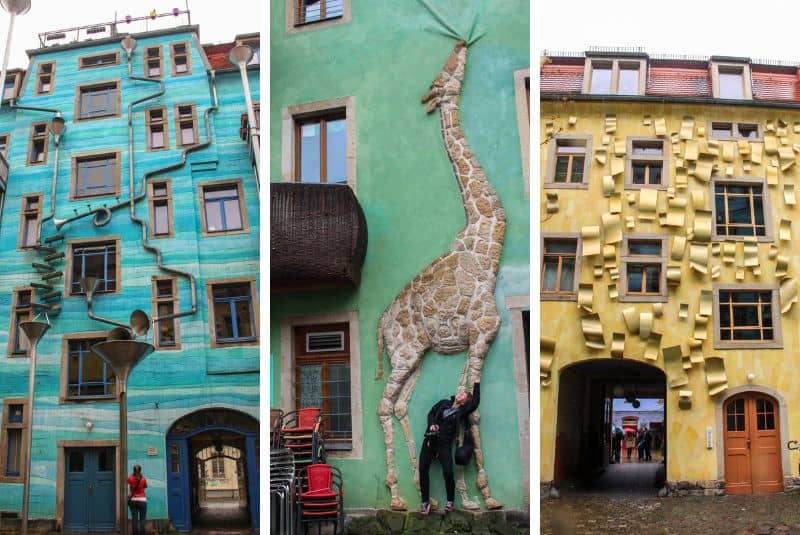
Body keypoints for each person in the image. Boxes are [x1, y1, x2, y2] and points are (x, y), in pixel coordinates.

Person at [418, 381, 480, 515]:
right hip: (430, 439)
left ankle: (450, 501)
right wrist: (432, 424)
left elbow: (475, 402)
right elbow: (431, 413)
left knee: (447, 472)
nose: (460, 394)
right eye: (461, 393)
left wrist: (476, 384)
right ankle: (425, 502)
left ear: (464, 402)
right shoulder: (444, 403)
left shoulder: (461, 412)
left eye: (463, 395)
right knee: (423, 470)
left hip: (444, 444)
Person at [128, 464, 147, 535]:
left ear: (133, 470)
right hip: (142, 500)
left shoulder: (130, 478)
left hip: (133, 500)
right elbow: (145, 486)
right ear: (140, 470)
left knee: (134, 519)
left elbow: (128, 482)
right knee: (142, 519)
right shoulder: (143, 479)